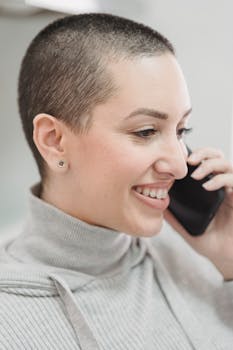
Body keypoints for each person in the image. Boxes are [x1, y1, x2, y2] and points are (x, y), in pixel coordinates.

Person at [1, 13, 233, 350]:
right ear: (53, 141)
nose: (180, 166)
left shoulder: (195, 258)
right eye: (146, 131)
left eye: (182, 131)